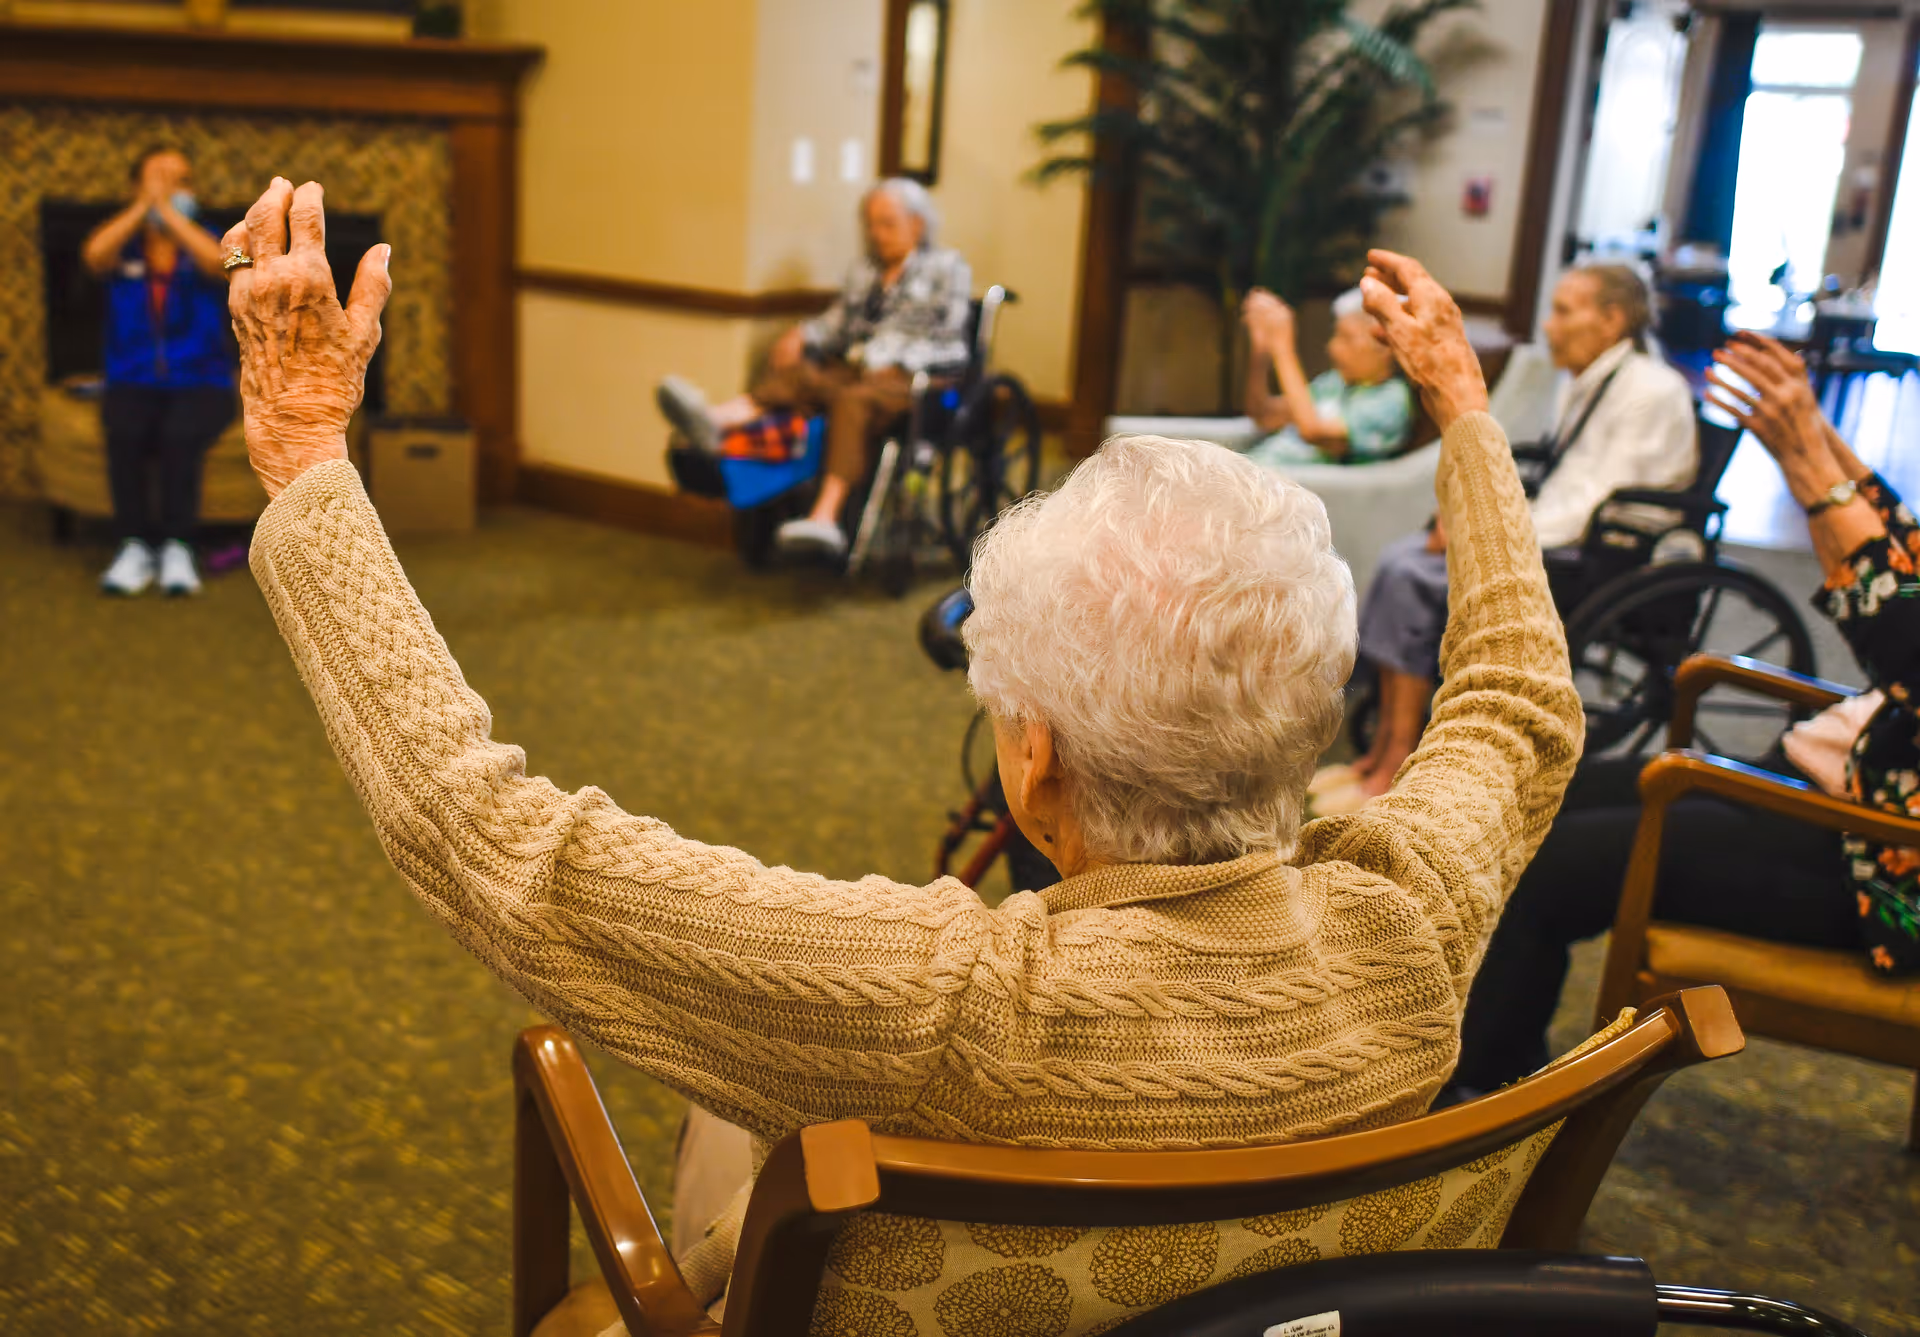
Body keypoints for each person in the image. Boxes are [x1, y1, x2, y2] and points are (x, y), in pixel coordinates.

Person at [225, 178, 1579, 1315]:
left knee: (747, 1112)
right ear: (1307, 718)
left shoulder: (942, 1005)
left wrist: (303, 457)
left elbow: (488, 836)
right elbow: (1519, 704)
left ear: (1032, 760)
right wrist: (1463, 405)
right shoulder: (1408, 929)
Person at [1444, 331, 1920, 1102]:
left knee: (1552, 867)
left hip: (1876, 864)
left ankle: (1482, 1107)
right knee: (1541, 801)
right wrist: (1810, 430)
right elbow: (1906, 551)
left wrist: (1804, 458)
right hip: (1834, 787)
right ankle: (1472, 1051)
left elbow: (1904, 640)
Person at [1318, 263, 1695, 806]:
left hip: (1609, 550)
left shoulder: (1649, 391)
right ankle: (1381, 751)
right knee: (1402, 558)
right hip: (1569, 528)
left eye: (1565, 311)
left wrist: (1488, 528)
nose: (1550, 326)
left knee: (1417, 575)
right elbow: (1560, 477)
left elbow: (1595, 502)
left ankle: (1397, 756)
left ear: (1612, 319)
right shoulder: (1589, 380)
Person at [654, 178, 971, 558]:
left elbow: (950, 331)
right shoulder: (865, 271)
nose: (877, 234)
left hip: (909, 376)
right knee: (797, 375)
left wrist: (885, 356)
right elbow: (836, 322)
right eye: (871, 225)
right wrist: (802, 336)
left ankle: (825, 516)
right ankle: (713, 420)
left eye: (888, 224)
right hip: (855, 367)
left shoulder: (946, 268)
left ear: (917, 224)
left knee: (852, 401)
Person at [82, 145, 237, 598]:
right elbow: (93, 255)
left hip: (203, 382)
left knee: (179, 436)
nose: (171, 191)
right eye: (159, 181)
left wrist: (168, 215)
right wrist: (142, 209)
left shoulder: (225, 243)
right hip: (133, 379)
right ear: (136, 189)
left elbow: (224, 268)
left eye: (180, 181)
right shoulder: (121, 243)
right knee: (124, 431)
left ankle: (177, 546)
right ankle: (133, 546)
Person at [1239, 286, 1413, 466]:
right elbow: (1264, 415)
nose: (1332, 348)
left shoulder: (1392, 399)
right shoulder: (1335, 382)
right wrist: (1261, 350)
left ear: (1384, 346)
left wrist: (1282, 347)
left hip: (1294, 489)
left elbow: (1314, 432)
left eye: (1346, 338)